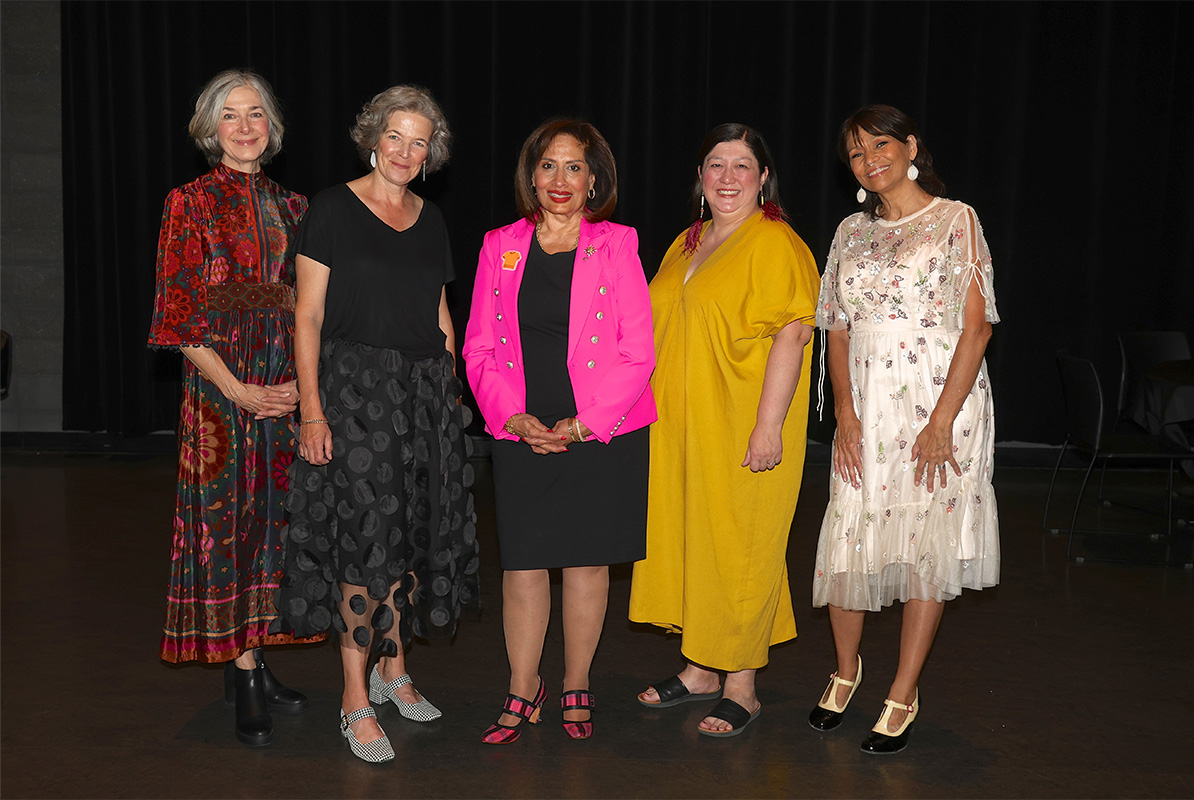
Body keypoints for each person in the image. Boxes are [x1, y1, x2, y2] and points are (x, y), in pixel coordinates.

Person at [275, 85, 480, 764]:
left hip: (423, 396)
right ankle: (354, 698)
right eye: (395, 135)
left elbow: (441, 313)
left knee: (411, 536)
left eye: (419, 141)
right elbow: (305, 317)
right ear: (373, 138)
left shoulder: (430, 218)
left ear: (431, 155)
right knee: (366, 540)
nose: (405, 150)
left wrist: (452, 393)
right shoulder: (331, 209)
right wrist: (312, 408)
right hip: (354, 392)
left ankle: (395, 672)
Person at [808, 104, 1000, 754]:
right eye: (857, 154)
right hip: (865, 402)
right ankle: (844, 670)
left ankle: (903, 690)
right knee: (847, 534)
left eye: (881, 144)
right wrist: (844, 412)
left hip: (935, 403)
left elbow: (977, 328)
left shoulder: (956, 220)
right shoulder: (848, 232)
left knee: (924, 545)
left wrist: (942, 420)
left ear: (910, 144)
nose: (870, 160)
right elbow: (834, 326)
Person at [463, 119, 655, 745]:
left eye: (574, 167)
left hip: (599, 428)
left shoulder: (618, 243)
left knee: (585, 565)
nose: (560, 179)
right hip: (520, 428)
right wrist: (511, 418)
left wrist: (580, 426)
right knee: (522, 565)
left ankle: (576, 682)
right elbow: (479, 348)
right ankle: (524, 689)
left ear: (594, 178)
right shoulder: (501, 244)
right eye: (548, 165)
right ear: (531, 176)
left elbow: (637, 352)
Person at [628, 124, 820, 738]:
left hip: (742, 424)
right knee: (693, 541)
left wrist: (768, 427)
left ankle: (742, 684)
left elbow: (792, 333)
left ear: (764, 177)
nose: (729, 177)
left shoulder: (776, 244)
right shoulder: (687, 242)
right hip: (683, 427)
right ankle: (699, 669)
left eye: (743, 165)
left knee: (742, 547)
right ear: (701, 177)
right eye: (717, 164)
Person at [148, 68, 318, 748]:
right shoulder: (188, 203)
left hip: (284, 384)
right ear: (210, 129)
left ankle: (257, 655)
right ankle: (242, 669)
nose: (245, 126)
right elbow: (178, 315)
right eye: (230, 116)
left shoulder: (298, 207)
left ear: (271, 127)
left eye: (256, 115)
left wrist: (302, 388)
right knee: (228, 521)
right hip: (221, 391)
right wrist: (239, 390)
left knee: (275, 525)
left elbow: (314, 309)